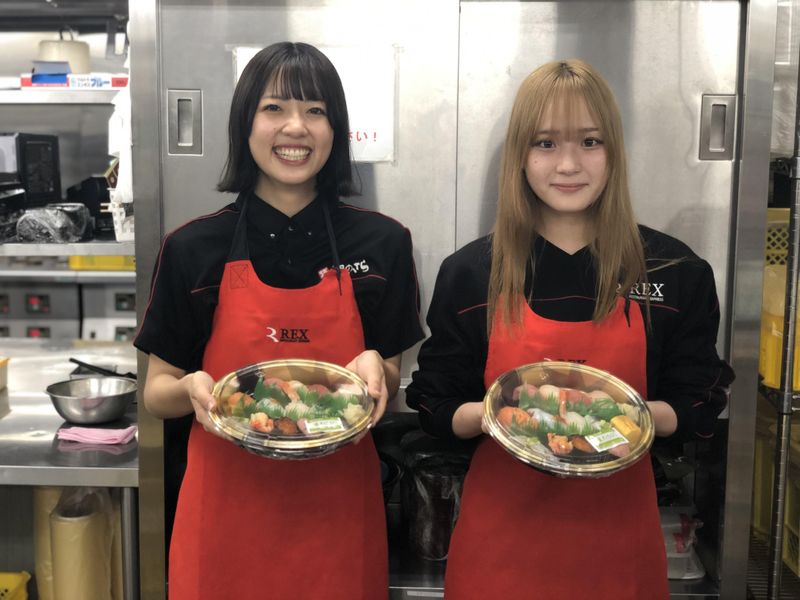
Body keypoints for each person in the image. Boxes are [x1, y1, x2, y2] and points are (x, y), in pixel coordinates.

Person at [405, 59, 734, 599]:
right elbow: (435, 403)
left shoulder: (673, 271)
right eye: (545, 143)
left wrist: (617, 416)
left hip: (619, 552)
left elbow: (699, 400)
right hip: (500, 552)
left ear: (613, 151)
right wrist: (501, 418)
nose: (568, 164)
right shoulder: (472, 273)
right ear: (521, 155)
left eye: (589, 141)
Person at [134, 42, 424, 599]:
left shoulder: (382, 242)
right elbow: (157, 393)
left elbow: (386, 375)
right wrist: (192, 388)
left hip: (338, 518)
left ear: (335, 129)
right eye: (274, 108)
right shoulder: (193, 247)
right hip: (225, 520)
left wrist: (378, 370)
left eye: (316, 110)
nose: (296, 127)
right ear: (245, 123)